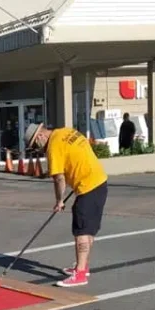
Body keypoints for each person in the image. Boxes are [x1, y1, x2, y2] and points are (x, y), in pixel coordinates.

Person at [25, 123, 108, 287]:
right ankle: (82, 266)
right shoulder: (65, 131)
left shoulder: (53, 147)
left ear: (40, 136)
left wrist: (59, 201)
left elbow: (59, 178)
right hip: (99, 180)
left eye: (35, 145)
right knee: (89, 228)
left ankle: (81, 274)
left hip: (88, 186)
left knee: (82, 230)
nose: (37, 149)